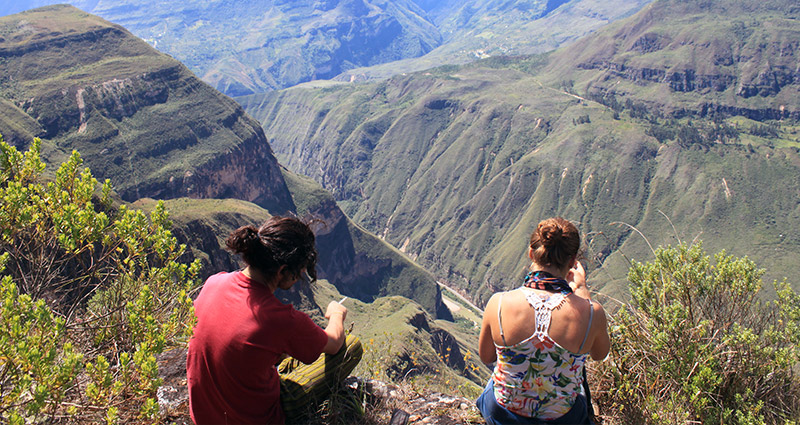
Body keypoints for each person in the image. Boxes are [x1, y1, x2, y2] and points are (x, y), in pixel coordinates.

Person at [187, 216, 362, 425]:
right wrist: (336, 313)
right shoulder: (279, 319)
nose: (302, 274)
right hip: (257, 418)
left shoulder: (214, 282)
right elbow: (334, 343)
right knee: (351, 345)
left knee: (284, 352)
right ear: (282, 270)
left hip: (204, 416)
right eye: (300, 270)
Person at [476, 217, 610, 424]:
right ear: (574, 261)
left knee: (494, 381)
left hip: (504, 414)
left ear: (531, 253)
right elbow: (599, 354)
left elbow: (486, 356)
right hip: (564, 419)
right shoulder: (593, 313)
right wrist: (582, 290)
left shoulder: (499, 303)